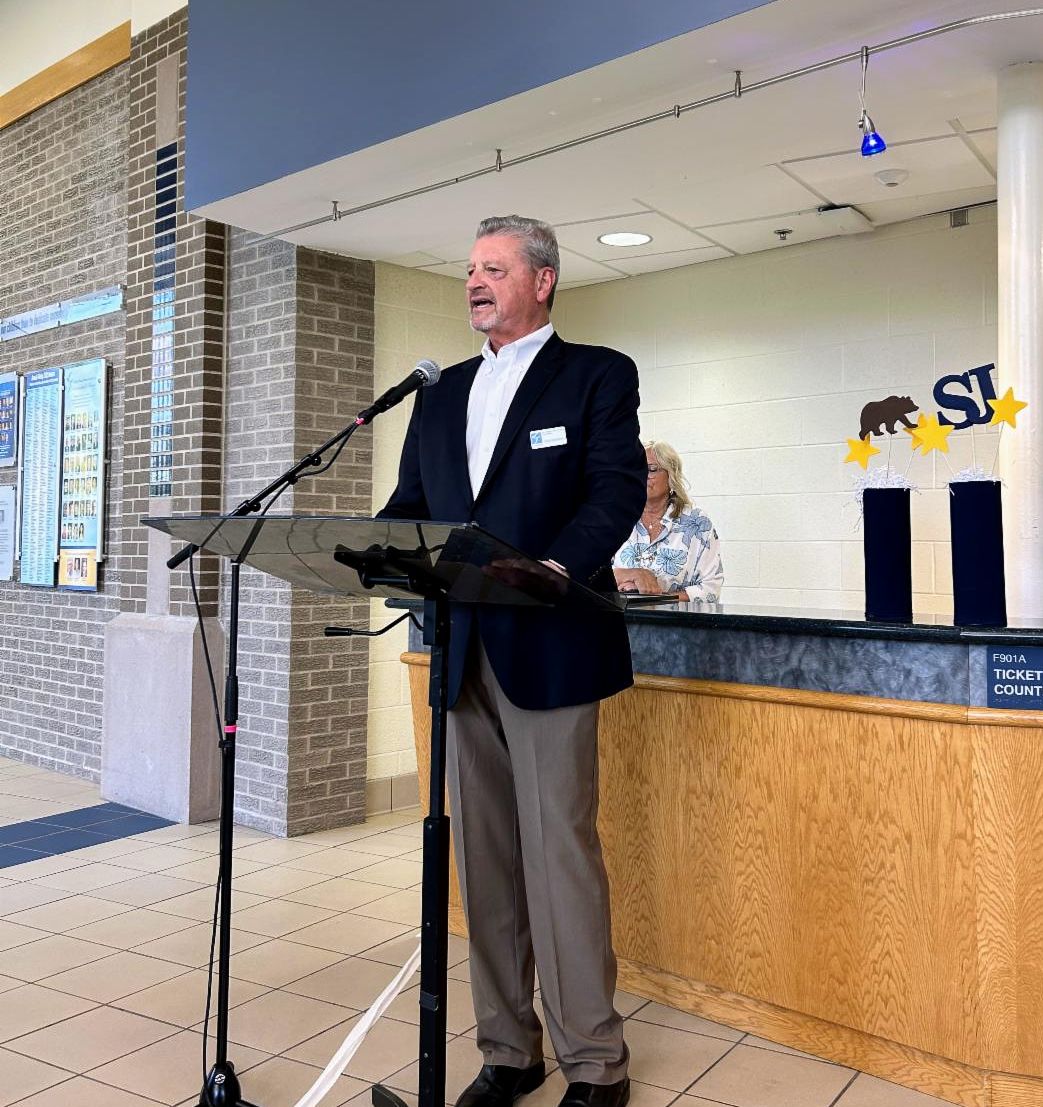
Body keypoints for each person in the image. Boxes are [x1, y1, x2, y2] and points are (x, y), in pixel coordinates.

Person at [381, 215, 645, 1107]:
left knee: (557, 851)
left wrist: (557, 567)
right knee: (485, 860)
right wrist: (373, 551)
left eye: (493, 268)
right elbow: (410, 508)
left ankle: (595, 1063)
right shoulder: (441, 391)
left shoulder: (596, 374)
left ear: (542, 279)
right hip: (462, 650)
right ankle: (507, 1049)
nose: (474, 281)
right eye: (469, 269)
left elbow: (614, 490)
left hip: (550, 647)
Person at [613, 441, 723, 601]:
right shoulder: (618, 518)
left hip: (673, 617)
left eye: (651, 469)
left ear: (671, 475)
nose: (641, 475)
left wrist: (657, 599)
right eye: (637, 469)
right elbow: (591, 575)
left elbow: (710, 589)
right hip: (620, 616)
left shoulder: (697, 523)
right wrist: (632, 574)